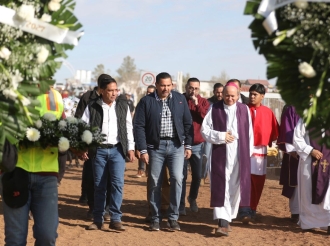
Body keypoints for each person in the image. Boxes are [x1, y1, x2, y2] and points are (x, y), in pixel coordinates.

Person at [1, 87, 64, 245]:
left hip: (47, 175)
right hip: (15, 173)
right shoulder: (9, 93)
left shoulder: (55, 96)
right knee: (15, 238)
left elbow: (64, 128)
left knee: (47, 236)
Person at [134, 72, 193, 231]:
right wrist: (143, 149)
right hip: (155, 147)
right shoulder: (146, 102)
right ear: (157, 85)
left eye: (168, 85)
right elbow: (139, 126)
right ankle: (155, 218)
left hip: (176, 147)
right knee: (154, 182)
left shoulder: (180, 100)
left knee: (177, 179)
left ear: (172, 85)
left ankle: (173, 217)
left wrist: (188, 145)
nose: (165, 88)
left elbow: (188, 124)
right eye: (162, 85)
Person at [81, 75, 135, 231]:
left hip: (118, 150)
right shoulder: (92, 106)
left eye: (116, 90)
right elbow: (83, 127)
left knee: (117, 184)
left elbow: (128, 128)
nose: (114, 93)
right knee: (99, 186)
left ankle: (115, 219)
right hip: (98, 150)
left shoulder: (122, 106)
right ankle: (98, 219)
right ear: (101, 91)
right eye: (110, 90)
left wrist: (130, 147)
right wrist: (84, 146)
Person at [201, 83, 254, 237]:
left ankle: (228, 218)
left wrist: (248, 154)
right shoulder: (214, 108)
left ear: (238, 96)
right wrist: (221, 136)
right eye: (227, 95)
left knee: (235, 187)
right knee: (220, 186)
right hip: (220, 152)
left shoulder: (244, 110)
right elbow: (205, 131)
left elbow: (250, 133)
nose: (230, 99)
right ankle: (222, 222)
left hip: (240, 153)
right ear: (222, 94)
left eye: (233, 96)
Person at [238, 83, 279, 223]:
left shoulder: (268, 112)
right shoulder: (242, 110)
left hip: (260, 151)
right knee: (243, 179)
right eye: (251, 93)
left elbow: (274, 132)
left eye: (255, 94)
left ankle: (252, 209)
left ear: (262, 96)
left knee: (257, 181)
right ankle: (243, 209)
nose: (252, 96)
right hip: (243, 149)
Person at [75, 75, 112, 222]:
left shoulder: (115, 99)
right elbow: (79, 120)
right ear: (100, 88)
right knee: (91, 177)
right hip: (91, 145)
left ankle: (107, 209)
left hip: (109, 145)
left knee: (109, 178)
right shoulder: (87, 98)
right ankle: (92, 207)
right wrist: (81, 144)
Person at [293, 118, 330, 233]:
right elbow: (297, 137)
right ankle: (308, 222)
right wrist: (309, 150)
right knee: (307, 191)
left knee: (328, 194)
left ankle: (328, 223)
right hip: (309, 161)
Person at [180, 77, 209, 215]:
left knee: (197, 175)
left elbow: (206, 118)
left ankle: (192, 198)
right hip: (181, 144)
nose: (193, 90)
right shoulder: (179, 99)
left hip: (197, 144)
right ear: (186, 87)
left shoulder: (203, 102)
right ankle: (180, 204)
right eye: (191, 88)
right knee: (181, 176)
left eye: (196, 88)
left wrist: (196, 104)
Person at [277, 105, 301, 223]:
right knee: (295, 181)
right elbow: (287, 128)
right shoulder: (292, 107)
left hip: (315, 150)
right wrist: (292, 150)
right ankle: (296, 212)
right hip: (296, 151)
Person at [134, 85, 156, 178]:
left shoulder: (158, 103)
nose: (149, 94)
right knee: (141, 149)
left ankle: (149, 170)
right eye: (148, 92)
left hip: (153, 134)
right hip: (143, 132)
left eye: (151, 92)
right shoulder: (142, 102)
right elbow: (136, 121)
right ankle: (141, 169)